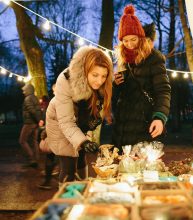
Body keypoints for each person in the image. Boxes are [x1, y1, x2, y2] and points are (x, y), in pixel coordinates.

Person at [46, 46, 112, 185]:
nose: (99, 81)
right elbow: (66, 122)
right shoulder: (65, 80)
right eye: (95, 75)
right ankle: (65, 202)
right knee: (69, 162)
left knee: (82, 157)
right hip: (59, 119)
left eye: (104, 76)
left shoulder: (101, 85)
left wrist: (90, 122)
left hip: (77, 122)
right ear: (85, 70)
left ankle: (83, 189)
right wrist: (84, 141)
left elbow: (89, 109)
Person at [112, 5, 171, 152]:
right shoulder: (123, 60)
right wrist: (116, 85)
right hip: (122, 127)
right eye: (125, 41)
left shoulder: (154, 58)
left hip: (144, 124)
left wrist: (160, 117)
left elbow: (163, 90)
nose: (130, 44)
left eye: (133, 39)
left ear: (140, 37)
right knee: (123, 170)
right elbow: (120, 95)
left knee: (143, 170)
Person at [19, 84, 44, 168]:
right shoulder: (35, 97)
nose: (23, 92)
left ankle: (32, 158)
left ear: (29, 90)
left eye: (24, 90)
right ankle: (36, 160)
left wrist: (38, 120)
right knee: (34, 141)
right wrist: (40, 120)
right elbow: (38, 110)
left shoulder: (28, 98)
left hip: (29, 123)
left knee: (22, 140)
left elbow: (32, 110)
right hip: (35, 123)